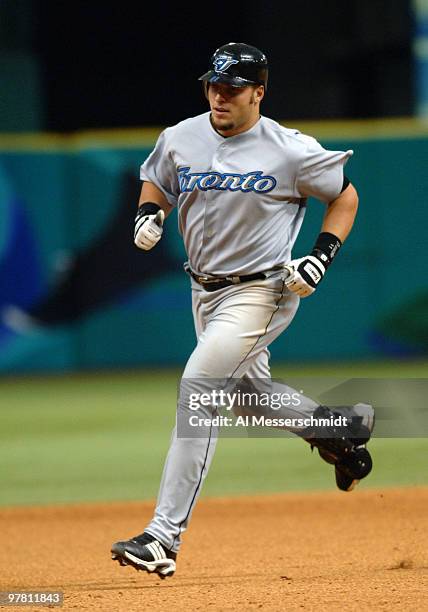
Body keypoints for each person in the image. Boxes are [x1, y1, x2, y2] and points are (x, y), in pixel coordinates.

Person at [111, 42, 374, 578]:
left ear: (259, 92)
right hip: (202, 291)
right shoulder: (181, 136)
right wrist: (148, 214)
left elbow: (344, 197)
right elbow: (156, 180)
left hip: (261, 291)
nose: (219, 96)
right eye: (213, 84)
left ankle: (163, 537)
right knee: (251, 399)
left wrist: (321, 256)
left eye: (232, 88)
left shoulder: (291, 150)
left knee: (200, 388)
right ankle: (337, 429)